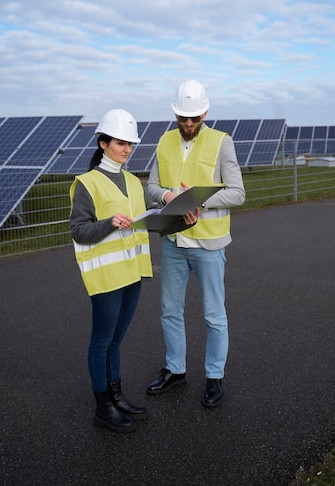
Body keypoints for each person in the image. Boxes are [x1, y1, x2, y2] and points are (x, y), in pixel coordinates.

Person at [146, 80, 245, 407]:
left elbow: (237, 193)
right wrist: (167, 196)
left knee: (214, 316)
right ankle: (176, 370)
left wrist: (199, 202)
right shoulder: (164, 141)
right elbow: (152, 186)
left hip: (209, 245)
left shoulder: (222, 143)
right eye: (182, 118)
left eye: (194, 118)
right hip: (174, 240)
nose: (188, 124)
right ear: (175, 113)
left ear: (205, 112)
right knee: (169, 311)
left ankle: (215, 376)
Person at [69, 109, 153, 433]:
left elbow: (144, 224)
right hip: (106, 277)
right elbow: (79, 230)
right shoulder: (87, 184)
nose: (127, 149)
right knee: (101, 342)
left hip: (132, 273)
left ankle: (117, 397)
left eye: (130, 143)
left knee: (116, 342)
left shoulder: (134, 182)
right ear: (103, 143)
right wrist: (109, 223)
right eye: (120, 142)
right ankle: (103, 407)